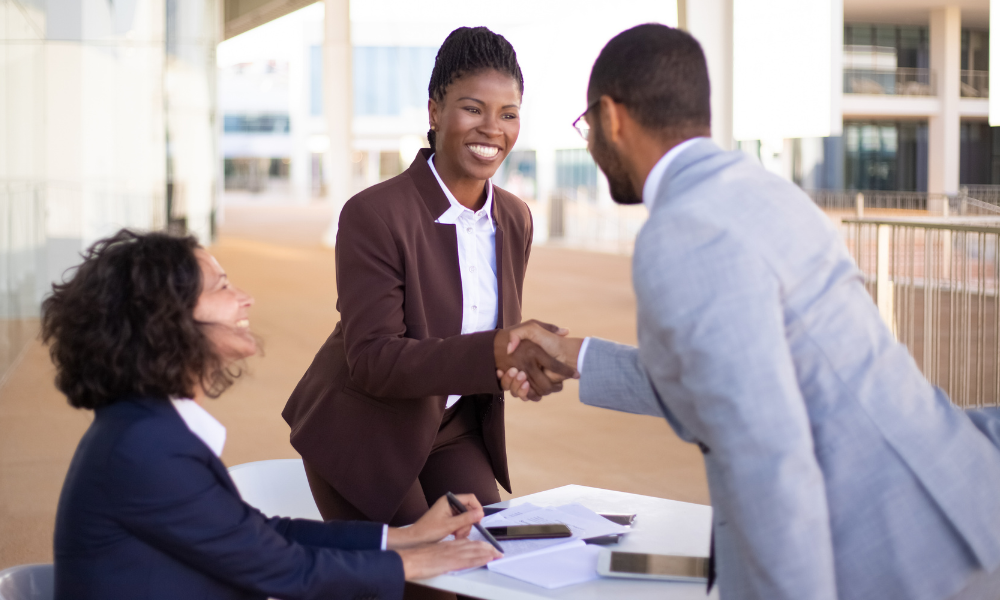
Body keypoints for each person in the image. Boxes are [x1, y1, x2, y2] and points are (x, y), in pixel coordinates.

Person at [498, 24, 1000, 600]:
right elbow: (722, 378)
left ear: (612, 117)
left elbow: (768, 457)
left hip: (895, 556)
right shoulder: (761, 192)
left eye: (587, 127)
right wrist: (576, 356)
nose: (589, 143)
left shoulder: (683, 231)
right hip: (949, 509)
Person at [45, 230, 501, 600]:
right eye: (222, 287)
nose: (246, 299)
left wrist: (405, 537)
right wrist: (413, 563)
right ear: (164, 319)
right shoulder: (148, 449)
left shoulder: (146, 427)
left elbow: (257, 534)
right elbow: (282, 570)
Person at [282, 26, 574, 528]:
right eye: (472, 108)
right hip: (363, 426)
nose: (492, 128)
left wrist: (517, 365)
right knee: (422, 583)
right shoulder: (373, 214)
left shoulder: (515, 218)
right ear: (435, 112)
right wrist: (498, 351)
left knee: (489, 561)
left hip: (451, 426)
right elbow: (373, 359)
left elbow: (479, 338)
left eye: (508, 114)